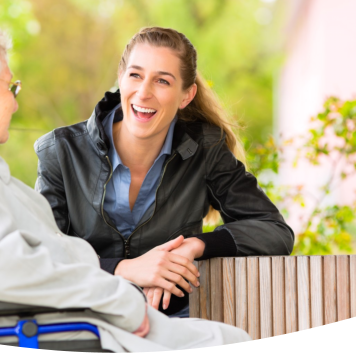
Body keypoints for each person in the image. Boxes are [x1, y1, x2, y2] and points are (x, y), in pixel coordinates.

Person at [0, 13, 250, 351]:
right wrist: (124, 302)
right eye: (8, 88)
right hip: (63, 331)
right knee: (228, 338)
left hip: (68, 321)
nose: (13, 105)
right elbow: (3, 270)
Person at [34, 27, 294, 317]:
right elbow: (41, 252)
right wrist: (124, 269)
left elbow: (274, 232)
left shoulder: (205, 150)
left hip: (173, 323)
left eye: (162, 81)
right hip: (84, 320)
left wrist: (194, 247)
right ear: (121, 78)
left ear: (186, 95)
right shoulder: (61, 151)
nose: (144, 92)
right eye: (135, 75)